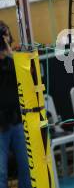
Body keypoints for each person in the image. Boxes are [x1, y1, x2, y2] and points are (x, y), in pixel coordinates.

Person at [0, 21, 32, 188]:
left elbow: (26, 77)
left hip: (17, 120)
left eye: (5, 35)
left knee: (27, 166)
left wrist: (10, 53)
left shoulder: (14, 60)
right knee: (1, 172)